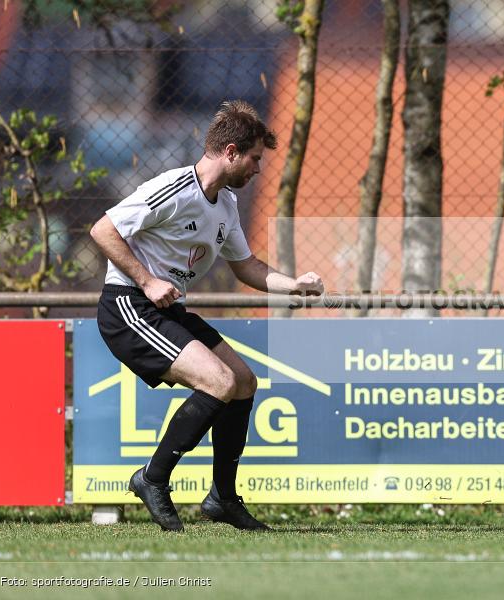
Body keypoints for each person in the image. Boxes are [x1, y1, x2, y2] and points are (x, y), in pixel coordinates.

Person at [91, 100, 323, 532]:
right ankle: (153, 479)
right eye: (254, 158)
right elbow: (103, 230)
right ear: (231, 152)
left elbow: (246, 266)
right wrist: (147, 280)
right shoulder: (173, 188)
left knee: (244, 382)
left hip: (167, 309)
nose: (257, 168)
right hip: (129, 305)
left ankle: (222, 498)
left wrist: (294, 286)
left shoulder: (227, 206)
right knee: (218, 382)